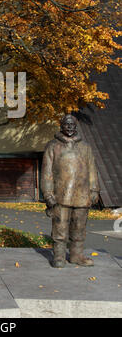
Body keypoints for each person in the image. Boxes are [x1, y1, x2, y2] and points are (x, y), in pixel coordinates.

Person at [41, 114, 100, 268]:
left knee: (79, 228)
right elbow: (47, 173)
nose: (69, 127)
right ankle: (59, 257)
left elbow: (92, 170)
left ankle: (76, 256)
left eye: (72, 124)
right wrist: (48, 194)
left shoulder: (85, 147)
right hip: (61, 195)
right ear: (61, 126)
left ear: (76, 126)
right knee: (59, 228)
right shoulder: (53, 146)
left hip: (82, 195)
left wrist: (94, 189)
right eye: (66, 124)